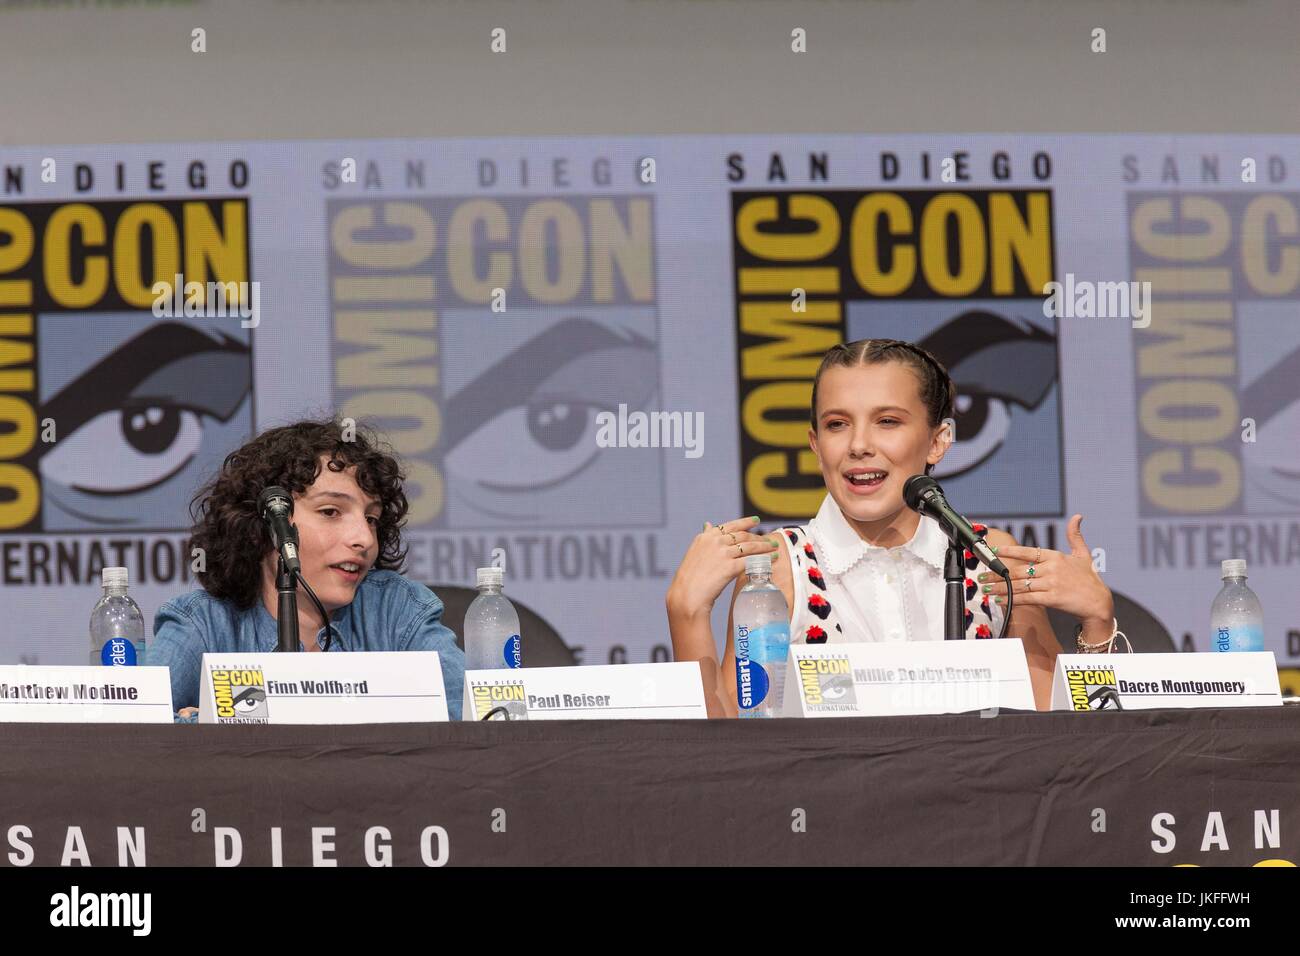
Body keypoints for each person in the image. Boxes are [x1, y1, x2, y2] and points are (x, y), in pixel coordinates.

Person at [666, 339, 1117, 714]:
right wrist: (687, 612)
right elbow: (733, 754)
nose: (860, 445)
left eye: (887, 422)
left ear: (938, 441)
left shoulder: (988, 558)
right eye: (837, 424)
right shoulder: (778, 568)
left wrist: (1098, 622)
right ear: (816, 445)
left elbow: (1061, 735)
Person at [148, 418, 465, 719]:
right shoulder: (205, 624)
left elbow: (481, 720)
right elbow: (127, 732)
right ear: (263, 526)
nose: (364, 538)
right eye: (330, 511)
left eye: (372, 519)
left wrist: (212, 721)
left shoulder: (396, 609)